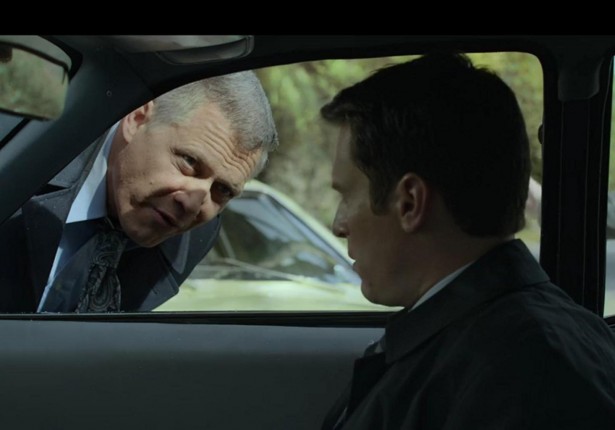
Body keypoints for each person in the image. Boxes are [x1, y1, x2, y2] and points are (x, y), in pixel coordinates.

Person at [320, 53, 615, 429]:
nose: (338, 225)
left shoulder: (516, 378)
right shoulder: (523, 344)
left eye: (346, 196)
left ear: (410, 202)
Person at [0, 70, 278, 313]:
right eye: (190, 162)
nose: (194, 205)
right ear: (137, 119)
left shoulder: (194, 236)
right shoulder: (29, 158)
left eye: (223, 190)